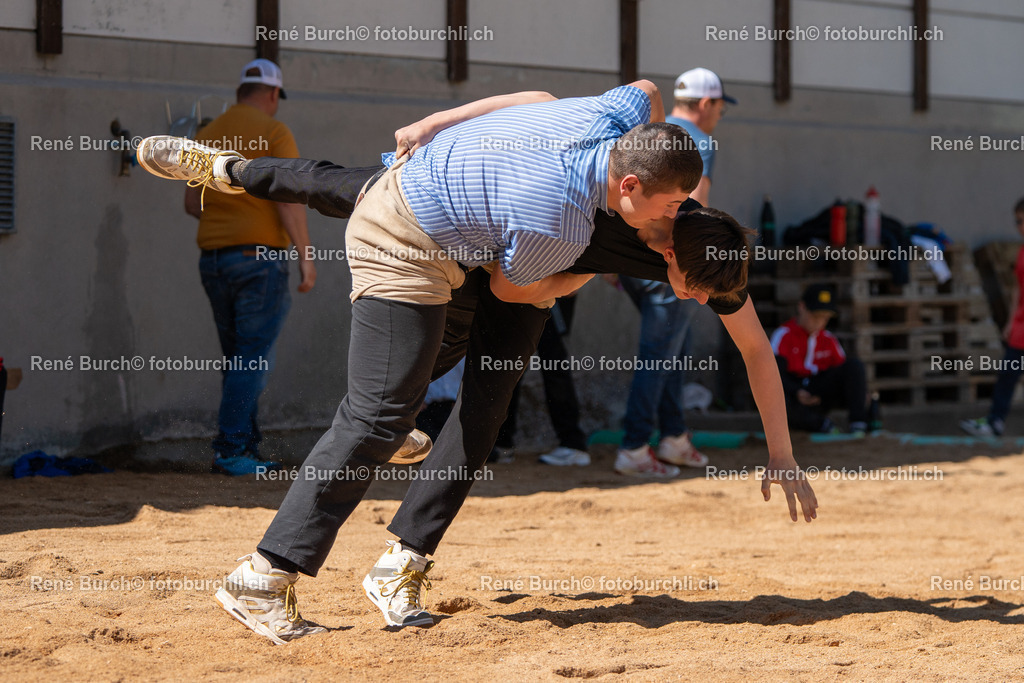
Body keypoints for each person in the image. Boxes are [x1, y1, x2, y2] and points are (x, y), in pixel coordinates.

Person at [137, 86, 818, 643]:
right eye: (691, 288)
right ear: (658, 232)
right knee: (360, 205)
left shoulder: (705, 248)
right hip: (488, 257)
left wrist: (782, 454)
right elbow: (512, 280)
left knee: (482, 411)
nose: (694, 300)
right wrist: (439, 128)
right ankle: (226, 171)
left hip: (505, 259)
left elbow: (756, 350)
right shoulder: (571, 213)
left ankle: (402, 560)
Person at [175, 59, 316, 476]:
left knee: (239, 359)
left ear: (240, 91)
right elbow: (289, 199)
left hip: (214, 261)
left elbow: (191, 203)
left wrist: (230, 219)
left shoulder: (207, 135)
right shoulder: (275, 131)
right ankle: (232, 450)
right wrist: (307, 259)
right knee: (251, 360)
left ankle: (245, 449)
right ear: (272, 94)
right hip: (260, 261)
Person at [612, 67, 736, 477]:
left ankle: (674, 437)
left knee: (671, 351)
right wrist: (693, 265)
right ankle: (634, 446)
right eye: (720, 108)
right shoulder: (700, 142)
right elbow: (692, 213)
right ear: (707, 104)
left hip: (633, 256)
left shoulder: (654, 132)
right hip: (669, 262)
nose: (718, 116)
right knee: (658, 355)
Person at [491, 294, 592, 466]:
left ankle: (573, 443)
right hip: (522, 291)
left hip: (552, 292)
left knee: (553, 363)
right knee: (513, 364)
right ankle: (502, 443)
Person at [961, 197, 1024, 437]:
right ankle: (995, 421)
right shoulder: (1022, 252)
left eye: (1022, 221)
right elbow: (1018, 287)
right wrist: (1010, 321)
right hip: (1020, 326)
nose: (1019, 227)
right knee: (1008, 372)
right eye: (1017, 221)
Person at [770, 284, 871, 434]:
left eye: (825, 317)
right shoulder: (783, 335)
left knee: (855, 366)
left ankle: (858, 424)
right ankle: (823, 426)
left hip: (819, 393)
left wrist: (860, 393)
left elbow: (842, 373)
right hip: (794, 393)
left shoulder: (829, 339)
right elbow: (773, 374)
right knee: (777, 400)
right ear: (802, 307)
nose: (820, 322)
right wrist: (796, 391)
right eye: (816, 316)